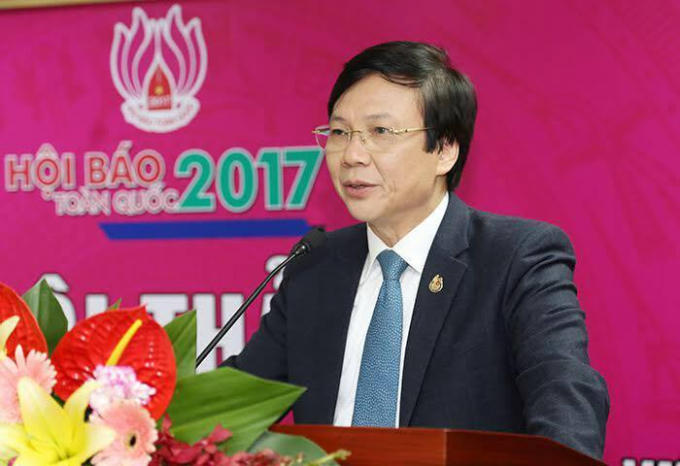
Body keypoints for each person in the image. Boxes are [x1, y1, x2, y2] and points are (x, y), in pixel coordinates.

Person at [225, 41, 609, 459]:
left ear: (444, 150)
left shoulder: (515, 258)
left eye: (380, 132)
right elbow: (229, 409)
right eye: (339, 132)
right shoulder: (315, 267)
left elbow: (566, 399)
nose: (351, 155)